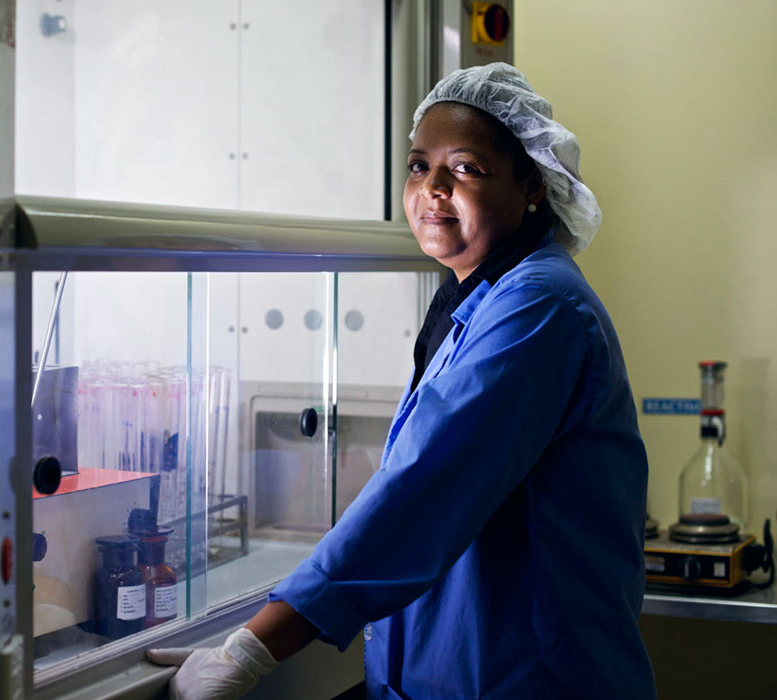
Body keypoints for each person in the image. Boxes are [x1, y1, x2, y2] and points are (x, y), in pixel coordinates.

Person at [147, 63, 656, 700]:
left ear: (531, 184)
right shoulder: (480, 296)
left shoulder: (539, 309)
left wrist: (252, 646)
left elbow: (423, 491)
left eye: (465, 168)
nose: (432, 189)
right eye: (419, 165)